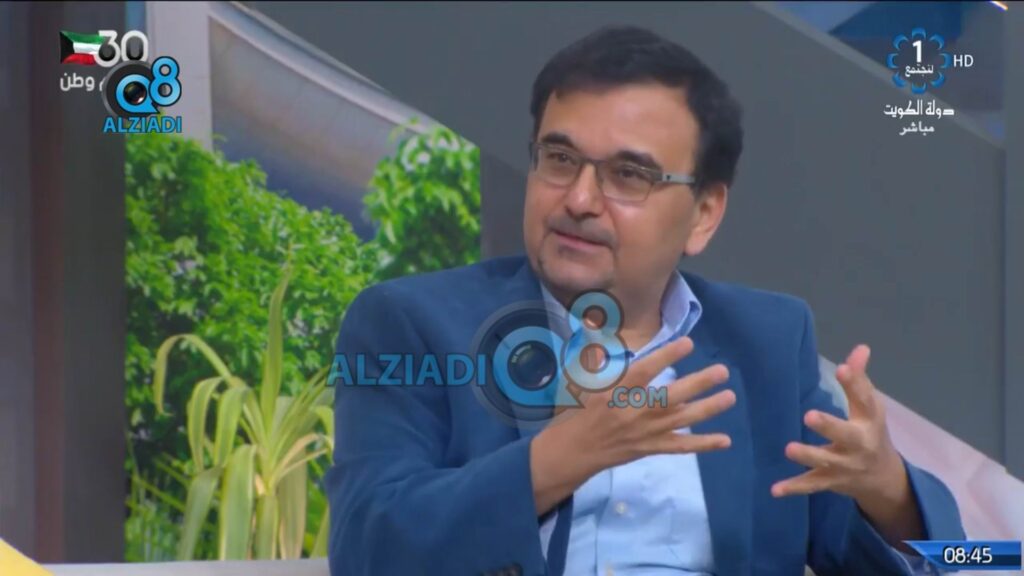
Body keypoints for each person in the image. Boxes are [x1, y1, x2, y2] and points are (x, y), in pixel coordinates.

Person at [325, 25, 965, 576]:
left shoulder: (766, 344)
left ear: (703, 214)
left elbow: (975, 561)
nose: (579, 199)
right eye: (559, 158)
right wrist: (560, 456)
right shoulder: (412, 324)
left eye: (628, 175)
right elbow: (365, 547)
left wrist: (891, 493)